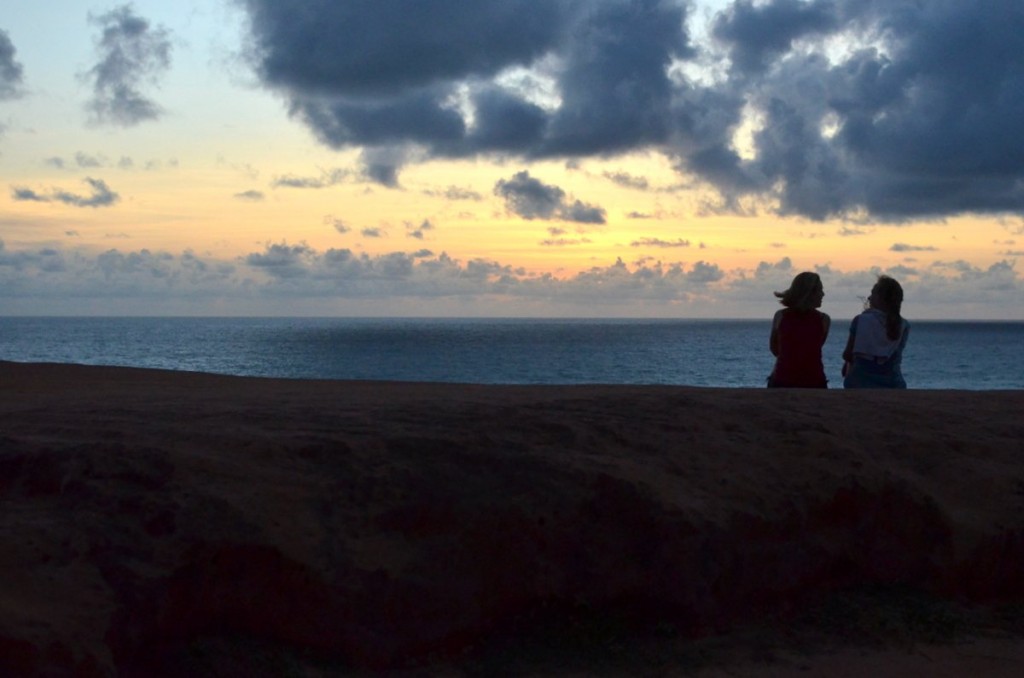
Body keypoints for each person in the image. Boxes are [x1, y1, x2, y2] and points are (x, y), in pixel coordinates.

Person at [842, 275, 910, 389]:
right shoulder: (903, 325)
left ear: (881, 298)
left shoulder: (860, 321)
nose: (869, 298)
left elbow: (848, 354)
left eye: (872, 294)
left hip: (859, 383)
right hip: (893, 384)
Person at [767, 272, 830, 388]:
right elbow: (814, 349)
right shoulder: (823, 320)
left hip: (783, 379)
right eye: (819, 290)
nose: (823, 294)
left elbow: (774, 348)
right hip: (813, 381)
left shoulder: (780, 316)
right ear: (808, 293)